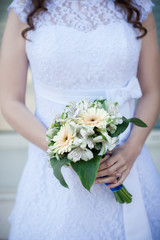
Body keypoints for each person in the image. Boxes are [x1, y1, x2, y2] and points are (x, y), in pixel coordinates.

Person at [0, 0, 160, 239]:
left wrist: (132, 149)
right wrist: (65, 151)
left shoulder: (137, 6)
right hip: (54, 171)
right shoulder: (25, 7)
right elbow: (9, 100)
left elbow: (152, 91)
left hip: (125, 164)